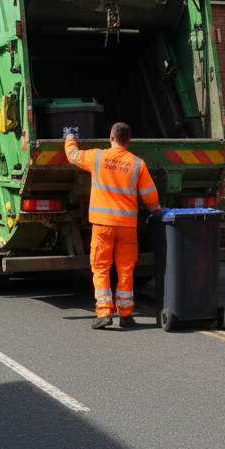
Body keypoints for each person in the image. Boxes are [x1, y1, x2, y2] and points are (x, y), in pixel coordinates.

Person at [66, 123, 161, 329]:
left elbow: (73, 156)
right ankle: (126, 315)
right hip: (127, 226)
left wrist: (69, 138)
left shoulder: (97, 157)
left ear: (111, 138)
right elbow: (149, 194)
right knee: (126, 269)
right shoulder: (137, 163)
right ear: (128, 141)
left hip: (103, 225)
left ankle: (104, 313)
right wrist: (156, 209)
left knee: (100, 267)